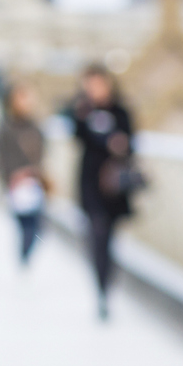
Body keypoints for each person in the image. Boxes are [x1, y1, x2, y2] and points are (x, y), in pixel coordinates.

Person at [69, 64, 138, 320]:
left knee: (110, 239)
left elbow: (132, 141)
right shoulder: (83, 110)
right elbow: (77, 136)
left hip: (115, 186)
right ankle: (102, 289)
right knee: (96, 236)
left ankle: (108, 282)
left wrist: (119, 143)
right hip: (91, 184)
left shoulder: (120, 111)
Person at [0, 85, 48, 268]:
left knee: (37, 226)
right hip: (15, 183)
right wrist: (14, 174)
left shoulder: (35, 126)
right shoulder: (5, 127)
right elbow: (1, 155)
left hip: (33, 181)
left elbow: (42, 152)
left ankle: (25, 258)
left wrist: (32, 171)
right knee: (25, 225)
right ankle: (23, 259)